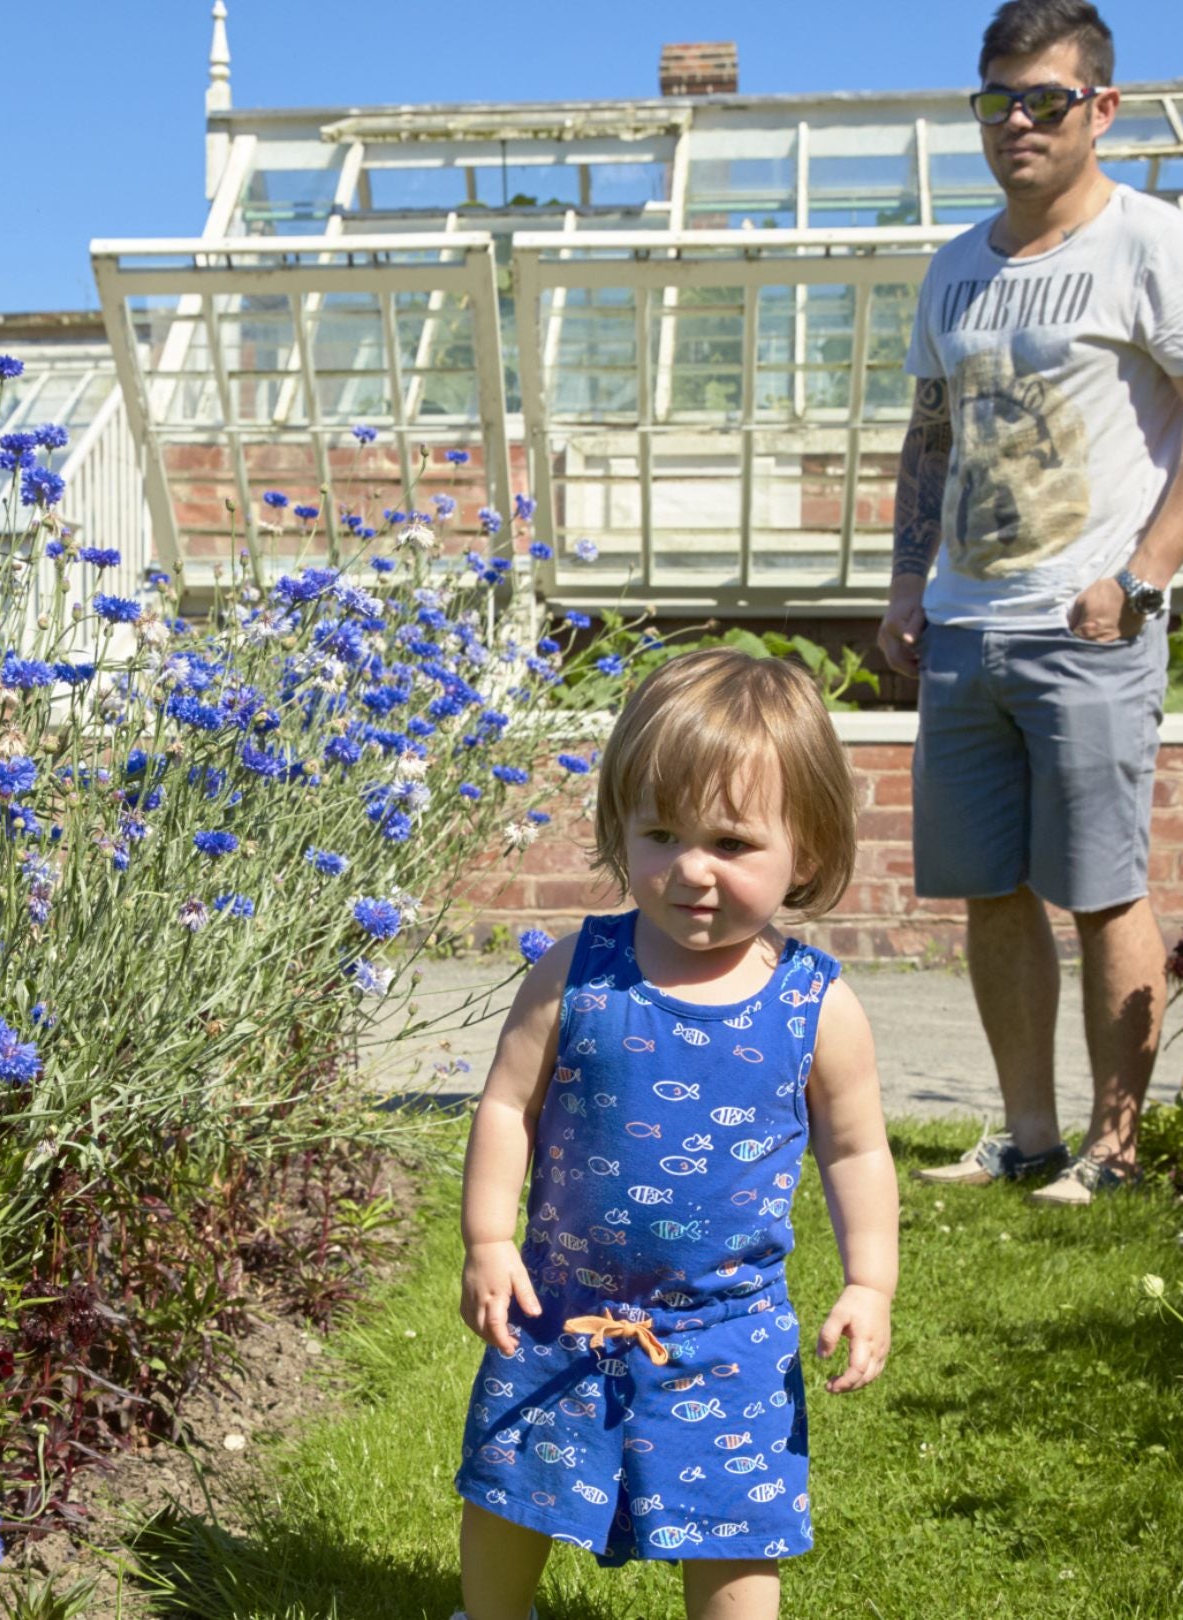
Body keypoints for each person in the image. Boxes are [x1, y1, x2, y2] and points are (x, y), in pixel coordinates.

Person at [876, 0, 1183, 1205]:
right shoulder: (957, 265)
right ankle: (1027, 1133)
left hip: (1089, 623)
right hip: (967, 621)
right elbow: (929, 436)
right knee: (991, 891)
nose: (1018, 122)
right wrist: (905, 583)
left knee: (1102, 890)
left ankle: (1117, 1145)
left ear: (1101, 108)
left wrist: (1140, 579)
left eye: (1045, 99)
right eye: (997, 99)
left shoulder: (1160, 247)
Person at [449, 650, 899, 1620]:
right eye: (660, 834)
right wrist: (489, 1240)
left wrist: (870, 1283)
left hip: (729, 1328)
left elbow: (857, 1151)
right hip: (558, 1306)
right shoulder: (579, 970)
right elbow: (504, 1105)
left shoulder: (815, 1006)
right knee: (511, 1487)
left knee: (738, 1523)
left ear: (806, 853)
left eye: (733, 843)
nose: (692, 869)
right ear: (619, 828)